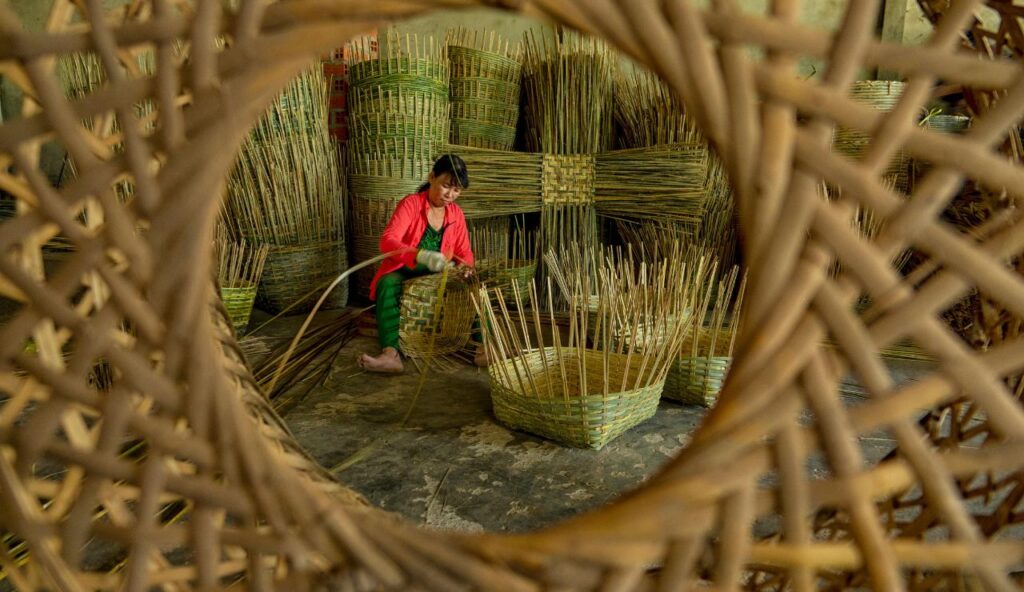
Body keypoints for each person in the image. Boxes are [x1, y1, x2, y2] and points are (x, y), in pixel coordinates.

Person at [358, 154, 487, 373]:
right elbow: (387, 241)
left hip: (441, 271)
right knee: (386, 283)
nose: (450, 195)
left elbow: (464, 251)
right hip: (407, 267)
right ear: (431, 177)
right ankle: (390, 354)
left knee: (474, 284)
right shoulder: (411, 204)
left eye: (456, 190)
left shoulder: (456, 214)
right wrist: (420, 255)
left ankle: (484, 348)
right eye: (446, 186)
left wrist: (466, 267)